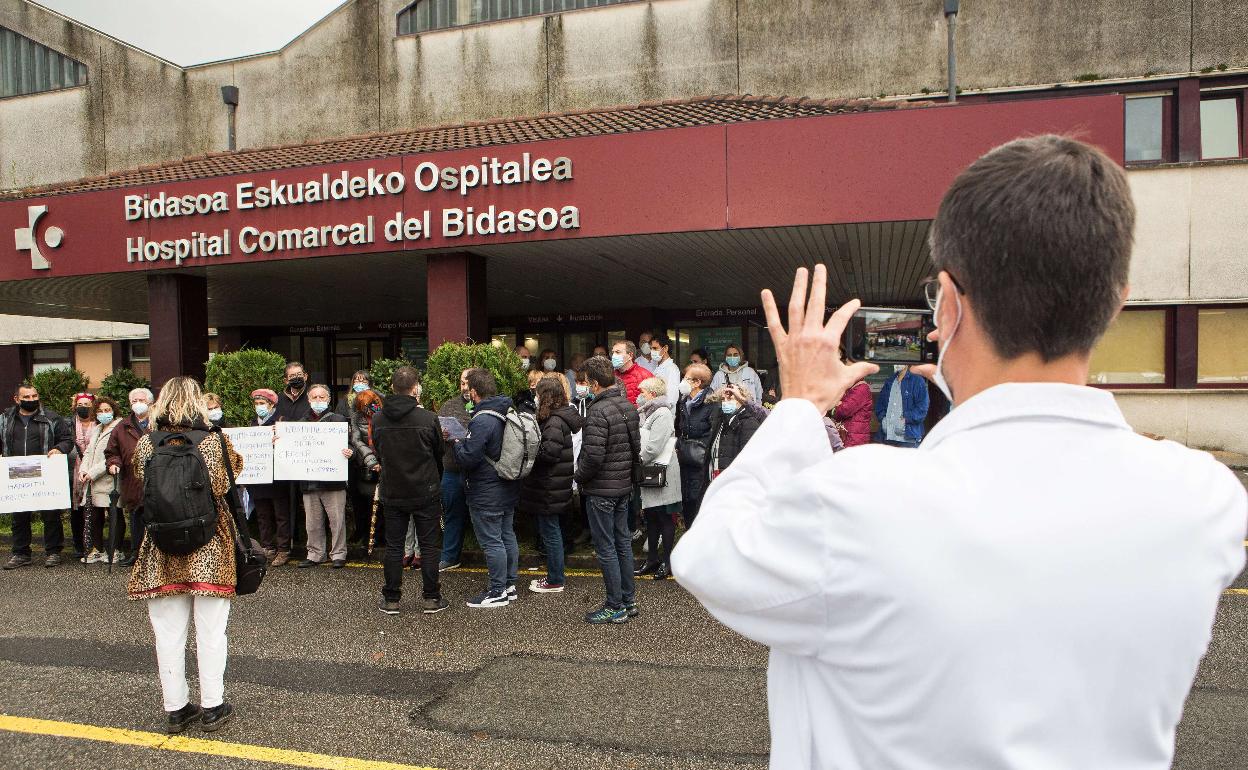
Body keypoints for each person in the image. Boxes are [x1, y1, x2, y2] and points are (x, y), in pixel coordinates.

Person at [672, 137, 1248, 769]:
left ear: (948, 302)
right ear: (1115, 302)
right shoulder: (1204, 501)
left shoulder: (862, 505)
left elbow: (706, 553)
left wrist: (801, 405)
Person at [128, 376, 243, 735]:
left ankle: (176, 708)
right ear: (197, 403)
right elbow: (226, 482)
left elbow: (140, 481)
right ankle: (213, 705)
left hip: (160, 549)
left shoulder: (146, 444)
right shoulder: (212, 441)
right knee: (211, 633)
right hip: (209, 545)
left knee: (168, 634)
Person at [371, 367, 447, 615]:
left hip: (393, 489)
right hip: (425, 488)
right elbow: (439, 453)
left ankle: (392, 598)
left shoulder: (379, 419)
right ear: (415, 388)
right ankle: (431, 598)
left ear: (392, 388)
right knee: (429, 545)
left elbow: (379, 451)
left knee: (393, 546)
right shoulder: (427, 418)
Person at [575, 355, 641, 624]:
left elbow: (592, 457)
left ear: (593, 383)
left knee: (606, 548)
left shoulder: (598, 412)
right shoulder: (628, 405)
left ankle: (615, 605)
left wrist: (578, 477)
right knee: (623, 543)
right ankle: (628, 600)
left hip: (601, 489)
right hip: (623, 486)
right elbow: (635, 447)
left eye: (587, 383)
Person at [452, 368, 521, 608]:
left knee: (492, 541)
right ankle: (509, 585)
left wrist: (458, 443)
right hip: (506, 485)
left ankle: (497, 590)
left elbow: (469, 458)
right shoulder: (504, 412)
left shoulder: (482, 419)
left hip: (486, 489)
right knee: (506, 535)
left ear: (473, 392)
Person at [517, 377, 583, 593]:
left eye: (538, 394)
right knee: (552, 531)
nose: (535, 398)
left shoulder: (554, 421)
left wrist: (530, 451)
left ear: (545, 397)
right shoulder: (560, 417)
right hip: (554, 484)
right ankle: (555, 576)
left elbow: (550, 453)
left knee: (551, 533)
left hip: (548, 486)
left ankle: (555, 579)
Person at [0, 383, 72, 569]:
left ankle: (54, 552)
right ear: (16, 399)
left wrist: (59, 449)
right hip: (16, 472)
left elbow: (67, 440)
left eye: (34, 396)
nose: (32, 400)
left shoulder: (51, 418)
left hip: (45, 472)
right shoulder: (5, 419)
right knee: (19, 515)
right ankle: (21, 553)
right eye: (27, 397)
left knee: (50, 514)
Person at [295, 384, 353, 569]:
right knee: (312, 522)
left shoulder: (339, 420)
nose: (318, 401)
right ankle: (315, 554)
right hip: (309, 481)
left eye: (322, 397)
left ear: (329, 400)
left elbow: (352, 444)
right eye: (314, 398)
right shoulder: (301, 423)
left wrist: (349, 451)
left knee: (337, 521)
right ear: (309, 400)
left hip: (333, 481)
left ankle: (338, 554)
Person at [633, 377, 681, 581]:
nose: (639, 395)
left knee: (664, 518)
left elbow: (654, 445)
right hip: (651, 471)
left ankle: (667, 562)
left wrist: (637, 460)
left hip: (663, 472)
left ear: (651, 394)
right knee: (652, 517)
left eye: (642, 392)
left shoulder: (662, 413)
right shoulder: (650, 412)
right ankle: (652, 559)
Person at [104, 386, 153, 567]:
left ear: (150, 403)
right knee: (136, 518)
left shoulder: (159, 423)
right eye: (134, 401)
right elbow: (112, 451)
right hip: (132, 481)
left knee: (156, 517)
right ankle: (136, 553)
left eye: (141, 400)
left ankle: (156, 555)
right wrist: (114, 463)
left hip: (156, 479)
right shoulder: (122, 426)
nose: (138, 404)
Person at [247, 388, 290, 566]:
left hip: (277, 476)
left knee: (281, 515)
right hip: (259, 477)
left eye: (262, 403)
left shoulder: (280, 422)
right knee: (263, 515)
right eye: (256, 404)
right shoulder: (251, 424)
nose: (259, 407)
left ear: (271, 405)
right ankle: (267, 546)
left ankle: (283, 549)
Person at [436, 370, 472, 571]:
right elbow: (435, 438)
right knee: (452, 514)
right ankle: (450, 556)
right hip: (452, 469)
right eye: (461, 383)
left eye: (468, 383)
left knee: (483, 517)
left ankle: (493, 558)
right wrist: (440, 434)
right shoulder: (449, 405)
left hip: (477, 471)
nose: (464, 387)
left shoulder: (485, 405)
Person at [77, 395, 120, 564]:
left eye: (107, 410)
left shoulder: (119, 427)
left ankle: (115, 550)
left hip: (109, 477)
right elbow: (88, 451)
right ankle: (97, 549)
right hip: (92, 480)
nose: (104, 413)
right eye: (100, 411)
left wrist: (92, 472)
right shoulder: (97, 428)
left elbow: (114, 454)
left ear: (113, 411)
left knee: (114, 514)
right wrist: (83, 469)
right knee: (95, 515)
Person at [675, 363, 714, 529]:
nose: (682, 381)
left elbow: (712, 434)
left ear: (697, 382)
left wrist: (700, 450)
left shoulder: (712, 403)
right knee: (687, 501)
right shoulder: (684, 401)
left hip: (701, 462)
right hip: (685, 459)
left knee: (699, 501)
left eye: (686, 378)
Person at [348, 389, 384, 550]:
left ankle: (382, 536)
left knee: (383, 504)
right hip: (366, 464)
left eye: (370, 406)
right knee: (365, 502)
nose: (368, 410)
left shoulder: (384, 414)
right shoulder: (356, 416)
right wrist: (371, 460)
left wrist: (383, 460)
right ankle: (366, 535)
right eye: (364, 407)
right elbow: (357, 441)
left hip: (385, 462)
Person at [707, 384, 764, 481]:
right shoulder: (719, 422)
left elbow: (748, 462)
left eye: (730, 398)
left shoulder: (749, 423)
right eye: (723, 399)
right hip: (716, 481)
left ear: (741, 400)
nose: (725, 402)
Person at [873, 363, 929, 447]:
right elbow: (880, 405)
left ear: (907, 363)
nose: (897, 364)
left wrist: (905, 419)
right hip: (888, 436)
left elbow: (922, 408)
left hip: (908, 438)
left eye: (900, 361)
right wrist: (883, 419)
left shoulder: (917, 380)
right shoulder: (890, 381)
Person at [68, 391, 96, 560]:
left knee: (94, 508)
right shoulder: (68, 424)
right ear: (75, 406)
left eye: (87, 405)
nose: (83, 408)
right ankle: (79, 544)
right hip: (74, 469)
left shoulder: (99, 422)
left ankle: (95, 544)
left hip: (94, 468)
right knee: (77, 509)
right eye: (80, 405)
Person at [832, 352, 873, 447]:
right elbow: (834, 408)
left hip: (854, 440)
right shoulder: (850, 386)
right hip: (849, 437)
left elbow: (843, 411)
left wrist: (836, 405)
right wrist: (836, 405)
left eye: (847, 362)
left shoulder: (861, 388)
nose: (845, 364)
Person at [647, 335, 682, 406]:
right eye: (651, 349)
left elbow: (672, 398)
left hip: (665, 411)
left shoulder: (672, 368)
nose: (652, 352)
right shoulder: (657, 367)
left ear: (665, 348)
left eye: (655, 348)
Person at [610, 341, 649, 405]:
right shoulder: (610, 376)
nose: (613, 356)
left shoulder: (644, 376)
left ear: (630, 355)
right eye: (613, 353)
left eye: (617, 352)